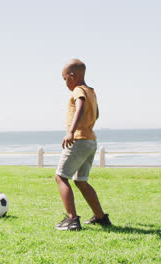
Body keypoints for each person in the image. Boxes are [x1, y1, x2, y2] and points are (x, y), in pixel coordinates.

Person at [54, 59, 111, 231]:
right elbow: (97, 114)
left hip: (79, 140)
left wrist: (71, 131)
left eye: (65, 79)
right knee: (81, 181)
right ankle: (101, 217)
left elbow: (80, 107)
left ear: (73, 76)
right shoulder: (92, 92)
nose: (65, 83)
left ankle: (72, 220)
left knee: (61, 177)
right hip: (90, 141)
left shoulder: (78, 90)